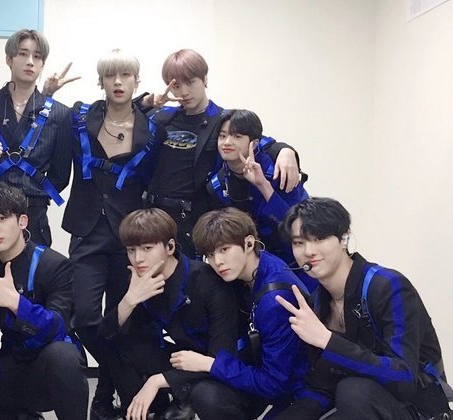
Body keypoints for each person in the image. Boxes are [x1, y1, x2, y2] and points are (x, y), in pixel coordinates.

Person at [274, 197, 453, 419]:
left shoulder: (388, 286)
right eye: (298, 243)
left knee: (354, 391)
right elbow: (322, 385)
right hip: (360, 409)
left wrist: (327, 340)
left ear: (344, 238)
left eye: (320, 238)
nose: (309, 251)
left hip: (418, 408)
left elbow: (404, 378)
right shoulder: (317, 303)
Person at [63, 48, 166, 420]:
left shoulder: (154, 129)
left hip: (130, 239)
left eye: (125, 75)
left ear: (137, 81)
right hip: (87, 232)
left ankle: (104, 397)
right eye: (110, 75)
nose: (118, 82)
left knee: (125, 320)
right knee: (85, 318)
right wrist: (46, 89)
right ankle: (126, 386)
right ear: (101, 81)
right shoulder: (81, 117)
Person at [140, 49, 300, 259]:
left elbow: (255, 141)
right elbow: (121, 122)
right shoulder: (161, 116)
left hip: (194, 216)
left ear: (204, 79)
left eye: (191, 82)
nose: (184, 92)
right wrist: (146, 103)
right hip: (154, 213)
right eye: (177, 86)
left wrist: (286, 150)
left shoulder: (222, 119)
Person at [166, 208, 309, 419]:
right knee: (205, 392)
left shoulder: (274, 299)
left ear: (249, 244)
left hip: (295, 389)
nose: (218, 261)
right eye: (210, 255)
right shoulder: (254, 269)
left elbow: (273, 383)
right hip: (264, 370)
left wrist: (210, 364)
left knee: (207, 395)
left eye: (224, 249)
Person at [99, 208, 240, 420]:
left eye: (147, 248)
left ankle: (180, 401)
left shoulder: (206, 280)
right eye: (131, 250)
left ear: (170, 247)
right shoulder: (140, 280)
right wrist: (129, 300)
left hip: (220, 363)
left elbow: (222, 356)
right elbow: (105, 336)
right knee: (117, 342)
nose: (138, 258)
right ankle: (144, 411)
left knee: (206, 394)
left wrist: (157, 380)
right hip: (183, 356)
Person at [0, 183, 88, 420]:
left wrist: (14, 302)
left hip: (49, 367)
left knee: (63, 355)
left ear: (22, 221)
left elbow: (57, 328)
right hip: (13, 364)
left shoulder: (55, 265)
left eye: (1, 218)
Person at [0, 29, 72, 267]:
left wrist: (30, 193)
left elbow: (60, 176)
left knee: (32, 282)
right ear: (9, 59)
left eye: (37, 57)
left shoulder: (60, 114)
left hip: (32, 215)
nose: (30, 61)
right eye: (23, 54)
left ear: (43, 64)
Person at [208, 109, 315, 290]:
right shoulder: (217, 185)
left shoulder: (278, 169)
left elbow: (296, 227)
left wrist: (263, 185)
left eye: (237, 136)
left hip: (299, 258)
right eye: (222, 136)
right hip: (255, 265)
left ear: (254, 143)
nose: (227, 142)